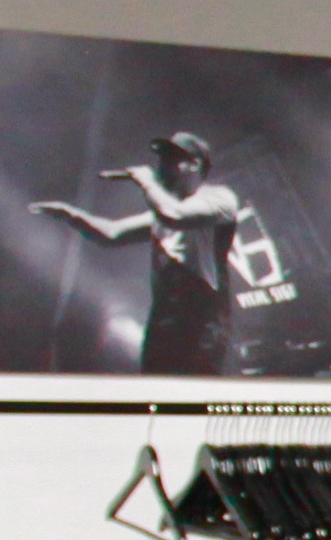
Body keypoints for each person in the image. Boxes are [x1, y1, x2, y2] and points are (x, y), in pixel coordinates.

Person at [33, 131, 255, 375]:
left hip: (202, 319)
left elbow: (175, 215)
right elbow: (112, 234)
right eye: (162, 159)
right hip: (165, 318)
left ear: (195, 164)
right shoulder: (163, 213)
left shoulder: (219, 198)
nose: (163, 165)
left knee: (191, 391)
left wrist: (146, 182)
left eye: (172, 159)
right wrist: (69, 214)